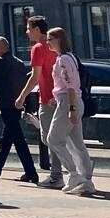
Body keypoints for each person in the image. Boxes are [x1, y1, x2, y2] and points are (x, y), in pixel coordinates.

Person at [0, 36, 37, 183]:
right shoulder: (19, 63)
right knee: (8, 137)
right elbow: (25, 85)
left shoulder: (0, 62)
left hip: (6, 104)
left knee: (18, 139)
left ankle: (31, 173)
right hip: (16, 104)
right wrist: (26, 103)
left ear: (4, 47)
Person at [44, 27, 95, 196]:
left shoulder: (63, 59)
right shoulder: (69, 57)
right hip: (72, 101)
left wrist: (71, 108)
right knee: (76, 142)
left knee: (53, 139)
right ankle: (86, 179)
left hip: (68, 102)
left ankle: (74, 173)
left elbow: (71, 85)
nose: (47, 42)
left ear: (58, 40)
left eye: (50, 39)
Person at [15, 15, 64, 189]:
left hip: (48, 98)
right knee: (61, 138)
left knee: (49, 138)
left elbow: (35, 76)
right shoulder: (55, 45)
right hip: (62, 97)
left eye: (28, 28)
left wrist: (22, 96)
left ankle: (58, 175)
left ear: (36, 29)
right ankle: (73, 170)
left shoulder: (38, 48)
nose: (27, 32)